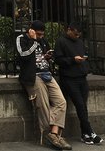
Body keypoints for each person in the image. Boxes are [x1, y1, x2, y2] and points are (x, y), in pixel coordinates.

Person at [16, 20, 70, 150]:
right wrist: (34, 41)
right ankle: (50, 134)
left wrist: (47, 56)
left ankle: (53, 133)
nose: (41, 37)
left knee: (61, 102)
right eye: (39, 34)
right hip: (33, 75)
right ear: (31, 30)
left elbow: (45, 55)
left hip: (46, 74)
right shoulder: (21, 38)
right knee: (43, 104)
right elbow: (23, 55)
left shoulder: (43, 40)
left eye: (42, 35)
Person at [55, 22, 103, 145]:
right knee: (80, 105)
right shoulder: (61, 42)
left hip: (81, 76)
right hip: (69, 78)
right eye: (75, 34)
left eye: (79, 35)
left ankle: (85, 134)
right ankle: (90, 132)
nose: (77, 37)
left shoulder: (80, 42)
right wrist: (72, 60)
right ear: (69, 30)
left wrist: (83, 61)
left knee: (83, 107)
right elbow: (58, 60)